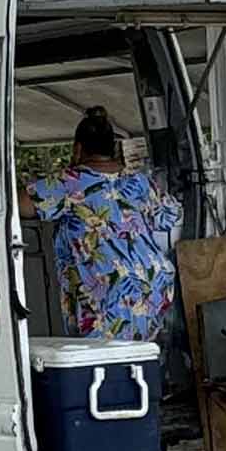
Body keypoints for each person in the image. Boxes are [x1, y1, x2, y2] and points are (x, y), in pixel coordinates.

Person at [20, 107, 181, 342]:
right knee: (139, 357)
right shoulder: (139, 182)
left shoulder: (71, 182)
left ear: (78, 149)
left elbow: (20, 205)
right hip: (153, 282)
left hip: (106, 285)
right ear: (114, 149)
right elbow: (171, 215)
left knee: (102, 361)